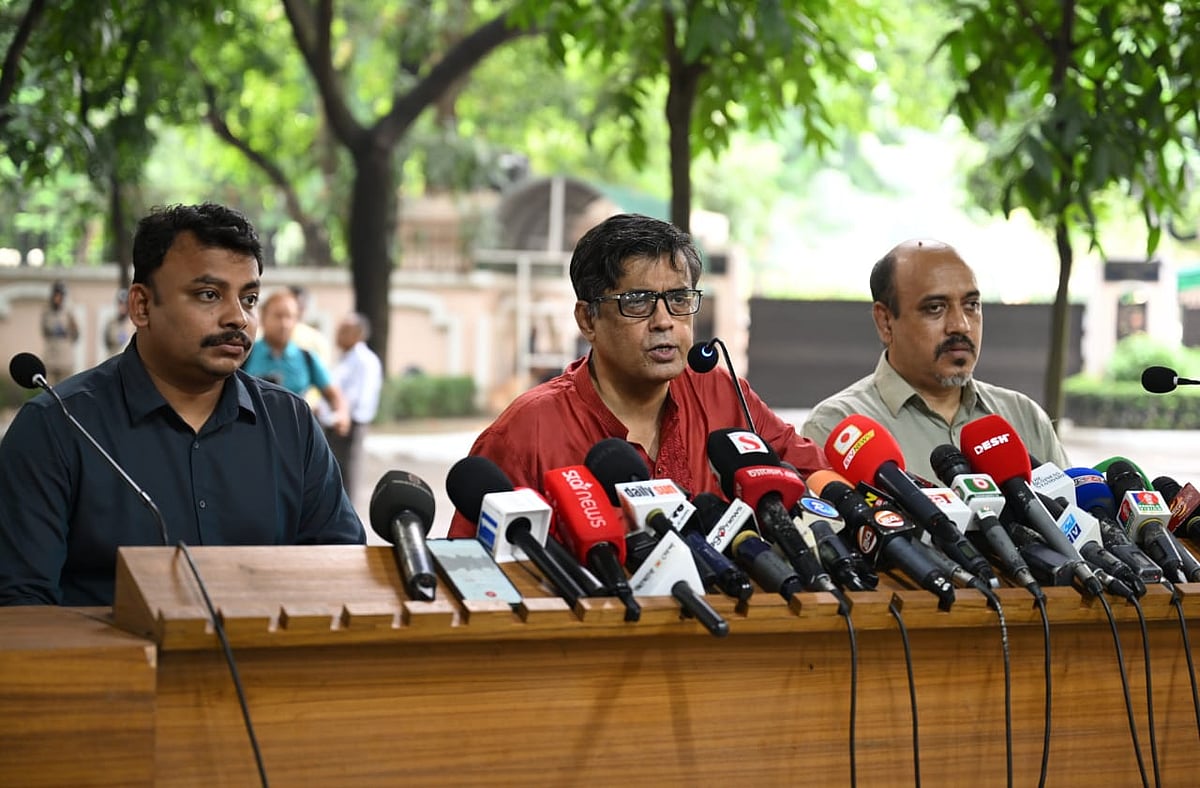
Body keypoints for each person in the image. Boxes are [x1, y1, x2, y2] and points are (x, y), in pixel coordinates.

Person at [0, 203, 365, 606]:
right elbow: (20, 605)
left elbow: (340, 567)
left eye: (249, 298)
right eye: (209, 294)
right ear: (141, 307)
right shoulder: (57, 428)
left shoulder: (291, 424)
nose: (238, 318)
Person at [448, 212, 829, 537]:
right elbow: (474, 570)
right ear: (587, 319)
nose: (664, 321)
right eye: (638, 302)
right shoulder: (528, 430)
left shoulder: (721, 394)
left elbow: (814, 476)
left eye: (679, 299)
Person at [800, 239, 1069, 483]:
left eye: (971, 305)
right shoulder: (837, 427)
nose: (961, 325)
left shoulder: (1023, 416)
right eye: (935, 308)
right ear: (885, 322)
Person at [243, 288, 351, 438]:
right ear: (263, 317)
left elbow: (334, 395)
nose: (284, 323)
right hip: (251, 437)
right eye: (278, 316)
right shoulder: (245, 355)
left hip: (296, 439)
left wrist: (341, 414)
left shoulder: (307, 358)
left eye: (290, 317)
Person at [318, 312, 383, 499]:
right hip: (335, 422)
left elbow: (357, 398)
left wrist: (339, 416)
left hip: (350, 424)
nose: (338, 334)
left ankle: (347, 517)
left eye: (344, 330)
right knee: (333, 471)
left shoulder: (364, 360)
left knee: (347, 473)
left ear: (357, 334)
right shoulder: (345, 358)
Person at [40, 279, 79, 383]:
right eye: (56, 294)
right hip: (51, 359)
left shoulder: (68, 313)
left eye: (60, 295)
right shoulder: (47, 312)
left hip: (65, 360)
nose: (58, 298)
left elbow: (76, 334)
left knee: (64, 392)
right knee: (49, 392)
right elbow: (44, 332)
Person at [103, 287, 133, 356]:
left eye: (125, 304)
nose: (123, 306)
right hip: (114, 359)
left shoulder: (134, 323)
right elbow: (108, 342)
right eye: (120, 303)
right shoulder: (111, 323)